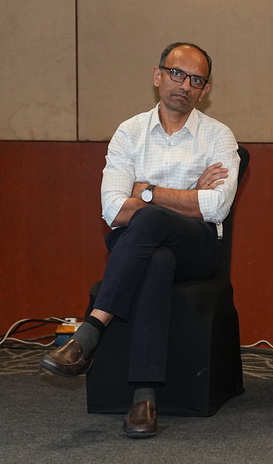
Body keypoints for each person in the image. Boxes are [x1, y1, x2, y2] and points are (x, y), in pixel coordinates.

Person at [41, 42, 240, 438]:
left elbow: (216, 206)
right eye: (176, 73)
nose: (184, 85)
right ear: (157, 75)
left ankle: (91, 332)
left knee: (148, 217)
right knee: (157, 259)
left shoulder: (218, 136)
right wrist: (189, 197)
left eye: (196, 80)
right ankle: (144, 398)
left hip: (197, 248)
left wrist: (146, 191)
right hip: (138, 245)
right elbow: (114, 210)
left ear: (206, 90)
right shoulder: (129, 132)